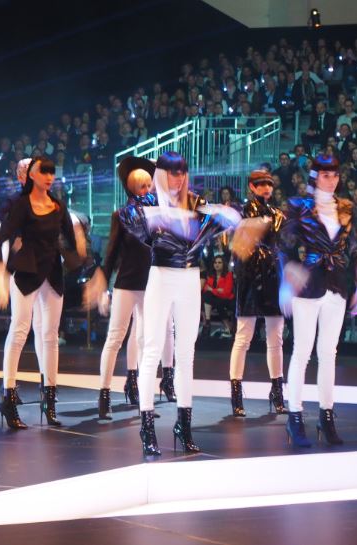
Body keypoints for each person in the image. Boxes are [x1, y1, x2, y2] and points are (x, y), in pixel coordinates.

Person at [117, 151, 240, 456]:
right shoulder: (148, 202)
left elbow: (230, 217)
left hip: (190, 278)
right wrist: (167, 216)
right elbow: (129, 218)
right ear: (161, 174)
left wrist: (212, 214)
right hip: (161, 276)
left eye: (183, 171)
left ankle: (184, 427)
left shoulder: (195, 202)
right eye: (173, 172)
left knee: (186, 354)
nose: (179, 177)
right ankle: (147, 428)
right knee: (152, 351)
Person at [281, 154, 357, 447]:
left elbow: (355, 247)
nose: (331, 180)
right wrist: (288, 274)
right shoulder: (299, 206)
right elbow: (283, 245)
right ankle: (294, 417)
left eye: (335, 175)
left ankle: (327, 416)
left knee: (329, 353)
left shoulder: (346, 207)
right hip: (308, 284)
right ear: (315, 177)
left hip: (338, 284)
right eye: (325, 175)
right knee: (302, 352)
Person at [0, 156, 83, 429]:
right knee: (20, 330)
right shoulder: (21, 204)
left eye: (51, 172)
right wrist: (0, 271)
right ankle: (8, 398)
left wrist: (88, 261)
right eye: (43, 172)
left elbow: (71, 239)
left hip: (52, 271)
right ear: (31, 175)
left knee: (50, 336)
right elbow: (4, 235)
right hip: (26, 269)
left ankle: (49, 400)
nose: (49, 177)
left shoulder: (58, 205)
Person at [85, 156, 176, 420]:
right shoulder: (122, 215)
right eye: (142, 186)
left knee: (148, 340)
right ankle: (104, 395)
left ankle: (145, 398)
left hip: (151, 284)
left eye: (149, 185)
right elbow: (112, 251)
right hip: (126, 283)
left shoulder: (159, 214)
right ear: (132, 189)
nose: (147, 190)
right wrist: (102, 280)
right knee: (115, 337)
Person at [229, 170, 287, 417]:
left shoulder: (278, 214)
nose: (266, 188)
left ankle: (277, 391)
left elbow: (282, 244)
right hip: (250, 276)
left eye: (269, 184)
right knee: (244, 336)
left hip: (273, 275)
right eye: (261, 184)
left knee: (276, 337)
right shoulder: (242, 212)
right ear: (252, 187)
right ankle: (236, 393)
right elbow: (238, 247)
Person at [201, 256, 235, 336]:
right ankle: (208, 321)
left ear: (223, 264)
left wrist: (212, 290)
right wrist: (218, 290)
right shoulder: (211, 276)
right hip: (216, 298)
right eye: (215, 263)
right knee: (206, 295)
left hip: (228, 299)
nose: (217, 264)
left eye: (219, 262)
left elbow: (226, 293)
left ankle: (228, 327)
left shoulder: (228, 275)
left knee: (218, 302)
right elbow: (206, 288)